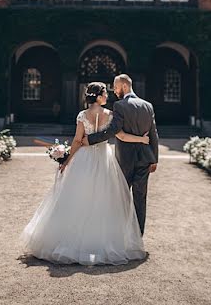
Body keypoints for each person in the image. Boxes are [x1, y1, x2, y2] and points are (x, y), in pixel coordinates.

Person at [21, 82, 148, 265]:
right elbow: (121, 136)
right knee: (104, 200)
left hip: (84, 159)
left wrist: (67, 160)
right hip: (104, 159)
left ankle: (70, 241)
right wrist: (141, 139)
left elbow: (77, 141)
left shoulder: (82, 115)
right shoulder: (111, 115)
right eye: (105, 93)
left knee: (78, 197)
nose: (107, 96)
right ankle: (101, 242)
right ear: (98, 96)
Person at [83, 73, 159, 235]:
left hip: (125, 158)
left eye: (116, 87)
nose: (115, 91)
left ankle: (121, 235)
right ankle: (138, 235)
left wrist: (89, 139)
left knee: (121, 196)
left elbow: (113, 130)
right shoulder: (148, 105)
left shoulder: (120, 106)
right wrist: (155, 159)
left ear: (124, 86)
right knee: (140, 197)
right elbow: (154, 134)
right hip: (145, 158)